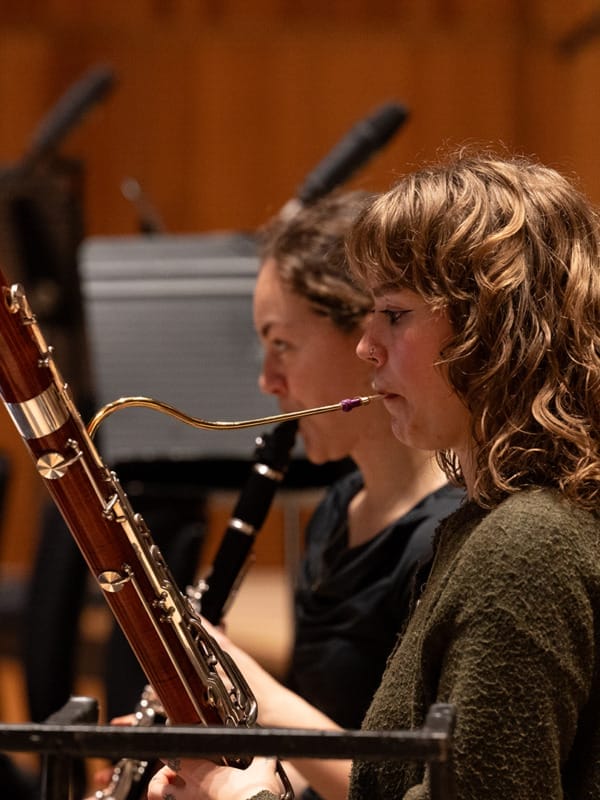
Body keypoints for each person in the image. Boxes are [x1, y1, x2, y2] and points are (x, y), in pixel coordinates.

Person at [146, 147, 600, 800]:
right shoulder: (485, 527)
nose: (367, 347)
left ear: (489, 326)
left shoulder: (528, 545)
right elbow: (392, 786)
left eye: (393, 315)